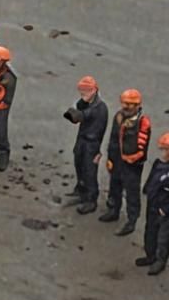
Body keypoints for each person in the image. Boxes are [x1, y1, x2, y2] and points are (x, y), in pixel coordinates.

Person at [99, 89, 151, 236]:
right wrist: (110, 158)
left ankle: (131, 220)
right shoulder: (119, 116)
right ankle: (113, 210)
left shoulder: (143, 122)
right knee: (114, 186)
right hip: (117, 160)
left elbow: (142, 145)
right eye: (124, 103)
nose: (126, 106)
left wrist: (134, 159)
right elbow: (113, 139)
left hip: (132, 165)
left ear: (137, 105)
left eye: (130, 104)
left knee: (132, 192)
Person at [137, 131, 169, 276]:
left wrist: (167, 209)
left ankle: (160, 261)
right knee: (150, 232)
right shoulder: (161, 163)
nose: (164, 152)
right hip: (154, 203)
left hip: (165, 208)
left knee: (163, 236)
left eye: (166, 149)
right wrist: (147, 189)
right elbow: (154, 177)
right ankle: (150, 255)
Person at [63, 76, 108, 214]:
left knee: (89, 171)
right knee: (79, 164)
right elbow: (79, 109)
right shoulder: (89, 103)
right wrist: (82, 101)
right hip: (82, 139)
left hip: (92, 144)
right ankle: (80, 190)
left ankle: (91, 200)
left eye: (85, 92)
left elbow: (79, 116)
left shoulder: (99, 107)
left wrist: (73, 112)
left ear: (94, 90)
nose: (82, 95)